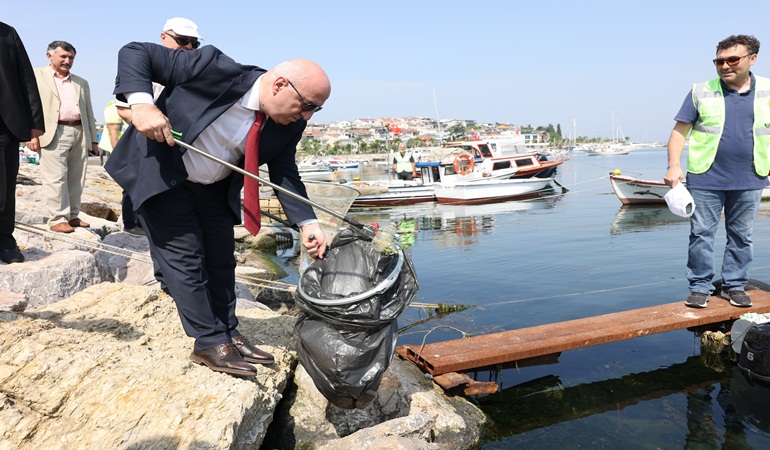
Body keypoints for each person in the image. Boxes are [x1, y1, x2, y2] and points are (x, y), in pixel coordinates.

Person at [105, 41, 329, 377]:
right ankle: (208, 342)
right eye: (307, 105)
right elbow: (136, 52)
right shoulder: (213, 68)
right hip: (165, 178)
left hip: (214, 189)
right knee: (186, 260)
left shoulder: (290, 123)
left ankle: (228, 331)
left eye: (316, 110)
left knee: (222, 262)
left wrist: (307, 222)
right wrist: (142, 105)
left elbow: (284, 173)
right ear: (281, 85)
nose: (307, 116)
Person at [664, 34, 770, 309]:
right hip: (706, 177)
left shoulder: (768, 91)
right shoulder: (701, 91)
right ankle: (700, 286)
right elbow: (678, 133)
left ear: (752, 59)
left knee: (741, 235)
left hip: (752, 176)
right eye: (719, 61)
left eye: (732, 59)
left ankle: (734, 285)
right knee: (701, 234)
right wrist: (674, 166)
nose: (725, 66)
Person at [115, 18, 204, 237]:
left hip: (178, 144)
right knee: (135, 184)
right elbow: (123, 108)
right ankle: (131, 223)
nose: (189, 47)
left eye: (194, 43)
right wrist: (147, 124)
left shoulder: (197, 73)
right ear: (164, 37)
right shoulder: (143, 68)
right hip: (149, 139)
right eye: (183, 40)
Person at [27, 41, 98, 233]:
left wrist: (93, 139)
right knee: (55, 178)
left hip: (79, 131)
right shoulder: (35, 76)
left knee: (77, 177)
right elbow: (28, 107)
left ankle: (73, 215)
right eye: (63, 57)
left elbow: (89, 111)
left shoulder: (81, 82)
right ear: (49, 56)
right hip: (51, 132)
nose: (68, 61)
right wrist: (30, 135)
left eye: (71, 58)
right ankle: (58, 218)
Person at [0, 22, 45, 264]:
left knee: (4, 186)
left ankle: (4, 240)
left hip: (4, 122)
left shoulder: (7, 33)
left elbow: (26, 78)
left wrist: (34, 124)